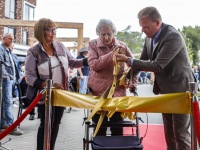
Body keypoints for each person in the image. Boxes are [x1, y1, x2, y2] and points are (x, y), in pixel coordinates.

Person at [115, 6, 195, 150]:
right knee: (169, 133)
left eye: (145, 27)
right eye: (141, 27)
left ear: (157, 22)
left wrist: (127, 59)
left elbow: (157, 65)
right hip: (165, 91)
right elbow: (142, 62)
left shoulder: (173, 36)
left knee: (181, 134)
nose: (142, 31)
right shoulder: (148, 38)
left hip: (181, 91)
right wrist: (128, 76)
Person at [25, 18, 88, 150]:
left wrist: (89, 61)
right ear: (41, 31)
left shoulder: (60, 46)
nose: (53, 33)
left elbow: (73, 63)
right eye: (50, 30)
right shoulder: (34, 51)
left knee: (57, 123)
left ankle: (50, 148)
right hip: (44, 96)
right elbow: (30, 77)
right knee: (46, 124)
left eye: (55, 30)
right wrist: (48, 85)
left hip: (61, 94)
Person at [87, 19, 138, 136]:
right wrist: (112, 55)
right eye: (102, 34)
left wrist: (133, 83)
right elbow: (94, 65)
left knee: (117, 128)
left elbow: (135, 65)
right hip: (98, 94)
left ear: (114, 33)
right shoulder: (92, 45)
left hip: (118, 94)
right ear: (98, 34)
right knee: (100, 128)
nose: (106, 37)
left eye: (109, 34)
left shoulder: (122, 46)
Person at [0, 33, 23, 135]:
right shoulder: (1, 49)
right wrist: (8, 78)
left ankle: (3, 123)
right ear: (3, 38)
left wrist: (16, 78)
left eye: (12, 39)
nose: (11, 41)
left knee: (5, 102)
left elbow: (13, 66)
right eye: (10, 39)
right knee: (8, 103)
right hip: (6, 80)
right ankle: (11, 126)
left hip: (11, 80)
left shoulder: (8, 50)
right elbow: (2, 66)